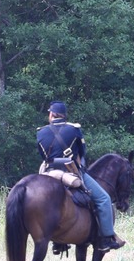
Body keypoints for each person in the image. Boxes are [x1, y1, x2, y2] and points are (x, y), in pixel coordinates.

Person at [36, 101, 125, 252]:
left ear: (51, 114)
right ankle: (106, 238)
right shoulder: (74, 129)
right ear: (64, 115)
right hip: (71, 172)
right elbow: (82, 153)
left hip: (49, 173)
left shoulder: (41, 132)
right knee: (104, 199)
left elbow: (42, 155)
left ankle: (57, 241)